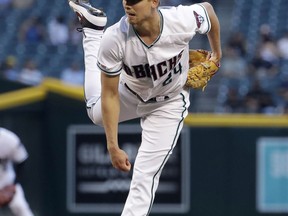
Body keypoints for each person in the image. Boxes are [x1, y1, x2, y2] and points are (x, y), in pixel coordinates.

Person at [68, 0, 221, 215]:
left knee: (145, 175)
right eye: (125, 1)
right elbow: (110, 94)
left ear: (154, 2)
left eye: (134, 1)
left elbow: (209, 11)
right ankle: (93, 32)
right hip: (129, 94)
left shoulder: (181, 21)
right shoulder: (115, 38)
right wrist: (113, 146)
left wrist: (217, 54)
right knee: (96, 112)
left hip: (169, 104)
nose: (128, 5)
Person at [0, 127, 34, 216]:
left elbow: (22, 161)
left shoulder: (8, 139)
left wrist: (13, 185)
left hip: (6, 181)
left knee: (21, 208)